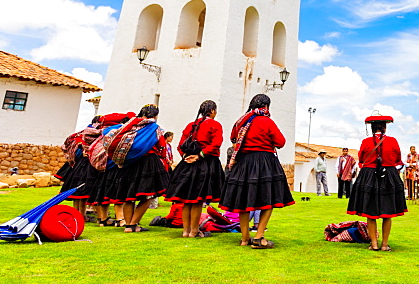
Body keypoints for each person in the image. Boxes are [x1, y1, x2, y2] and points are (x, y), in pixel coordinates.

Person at [220, 93, 295, 249]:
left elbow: (233, 138)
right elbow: (280, 142)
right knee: (267, 200)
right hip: (265, 162)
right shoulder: (267, 122)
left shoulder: (241, 121)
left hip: (244, 163)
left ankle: (244, 238)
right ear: (266, 106)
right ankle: (259, 237)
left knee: (243, 201)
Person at [102, 104, 171, 233]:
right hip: (147, 162)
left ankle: (128, 225)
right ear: (155, 115)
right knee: (149, 195)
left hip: (129, 162)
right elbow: (161, 146)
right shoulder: (154, 128)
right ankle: (133, 223)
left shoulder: (130, 125)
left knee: (129, 195)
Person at [164, 100, 225, 238]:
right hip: (205, 163)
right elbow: (216, 144)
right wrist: (199, 156)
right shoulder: (215, 125)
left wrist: (186, 156)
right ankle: (194, 231)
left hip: (187, 164)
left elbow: (180, 145)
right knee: (197, 199)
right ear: (212, 111)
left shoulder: (191, 125)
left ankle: (186, 231)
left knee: (186, 200)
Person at [347, 114, 407, 251]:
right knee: (388, 213)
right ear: (385, 128)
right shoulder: (393, 141)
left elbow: (361, 157)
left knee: (370, 212)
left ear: (373, 128)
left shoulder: (366, 141)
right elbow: (398, 157)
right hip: (389, 176)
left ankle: (374, 244)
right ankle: (384, 245)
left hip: (369, 176)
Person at [60, 116, 103, 218]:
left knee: (78, 190)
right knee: (84, 190)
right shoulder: (95, 133)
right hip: (88, 163)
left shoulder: (83, 133)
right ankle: (81, 215)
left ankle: (77, 214)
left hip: (79, 164)